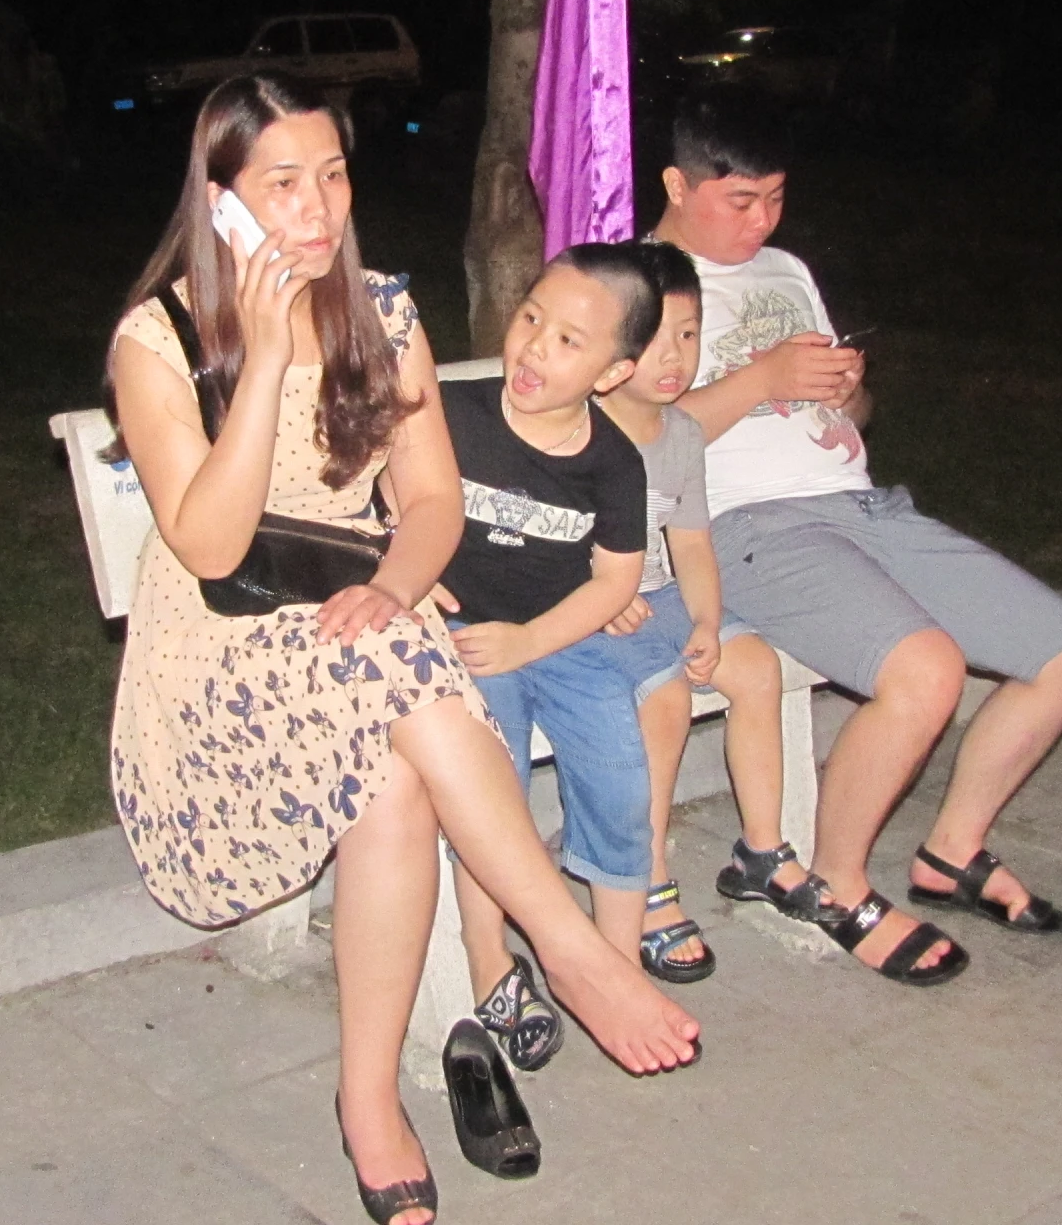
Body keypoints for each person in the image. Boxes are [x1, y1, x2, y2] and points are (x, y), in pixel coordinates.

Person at [105, 74, 697, 1225]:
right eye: (282, 182)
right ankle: (569, 951)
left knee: (389, 773)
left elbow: (430, 503)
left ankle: (366, 1095)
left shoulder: (385, 310)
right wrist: (269, 357)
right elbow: (213, 544)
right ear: (220, 197)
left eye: (331, 174)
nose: (317, 208)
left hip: (362, 611)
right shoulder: (159, 339)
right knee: (402, 674)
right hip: (220, 647)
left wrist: (389, 583)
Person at [655, 85, 1062, 984]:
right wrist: (765, 376)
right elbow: (639, 439)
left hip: (858, 505)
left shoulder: (786, 270)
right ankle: (835, 883)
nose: (762, 220)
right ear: (676, 183)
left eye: (775, 197)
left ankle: (951, 850)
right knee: (925, 669)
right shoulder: (636, 281)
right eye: (739, 200)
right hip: (741, 527)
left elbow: (853, 410)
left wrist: (844, 385)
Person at [429, 243, 666, 1068]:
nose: (534, 347)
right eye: (532, 318)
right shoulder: (450, 412)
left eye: (570, 340)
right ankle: (493, 966)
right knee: (490, 791)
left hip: (559, 639)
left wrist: (535, 638)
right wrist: (409, 573)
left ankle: (615, 962)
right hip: (462, 645)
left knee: (620, 776)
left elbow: (614, 581)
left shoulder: (613, 464)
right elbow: (385, 495)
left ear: (613, 372)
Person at [582, 244, 790, 985]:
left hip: (665, 602)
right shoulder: (578, 430)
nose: (673, 358)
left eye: (690, 334)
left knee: (756, 666)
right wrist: (603, 601)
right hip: (593, 613)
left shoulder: (681, 435)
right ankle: (649, 874)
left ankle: (762, 852)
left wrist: (707, 622)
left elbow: (693, 546)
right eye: (654, 337)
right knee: (665, 699)